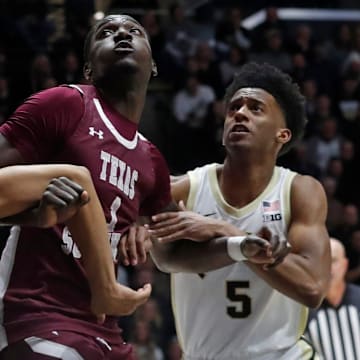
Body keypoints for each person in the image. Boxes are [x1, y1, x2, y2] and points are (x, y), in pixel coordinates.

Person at [0, 14, 174, 360]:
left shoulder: (152, 159)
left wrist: (145, 228)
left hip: (103, 327)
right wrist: (36, 213)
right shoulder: (66, 104)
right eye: (106, 33)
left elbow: (167, 222)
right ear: (89, 69)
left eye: (134, 31)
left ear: (153, 65)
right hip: (35, 310)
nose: (122, 34)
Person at [150, 62, 331, 360]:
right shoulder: (185, 189)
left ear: (282, 135)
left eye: (255, 108)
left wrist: (225, 230)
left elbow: (312, 288)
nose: (240, 114)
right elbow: (165, 260)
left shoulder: (299, 191)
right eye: (234, 108)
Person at [0, 164, 152, 321]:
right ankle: (107, 290)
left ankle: (106, 290)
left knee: (76, 180)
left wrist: (36, 218)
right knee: (77, 180)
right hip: (30, 309)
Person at [306, 237, 360, 359]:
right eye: (322, 262)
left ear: (345, 265)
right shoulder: (304, 310)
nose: (328, 269)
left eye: (333, 261)